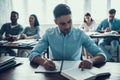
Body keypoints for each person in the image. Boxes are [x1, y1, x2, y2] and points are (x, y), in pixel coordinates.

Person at [29, 4, 106, 71]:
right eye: (62, 24)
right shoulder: (49, 33)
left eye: (69, 22)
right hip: (54, 71)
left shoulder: (80, 34)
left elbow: (102, 55)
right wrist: (43, 62)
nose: (67, 26)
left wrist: (91, 60)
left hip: (76, 71)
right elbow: (33, 54)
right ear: (55, 22)